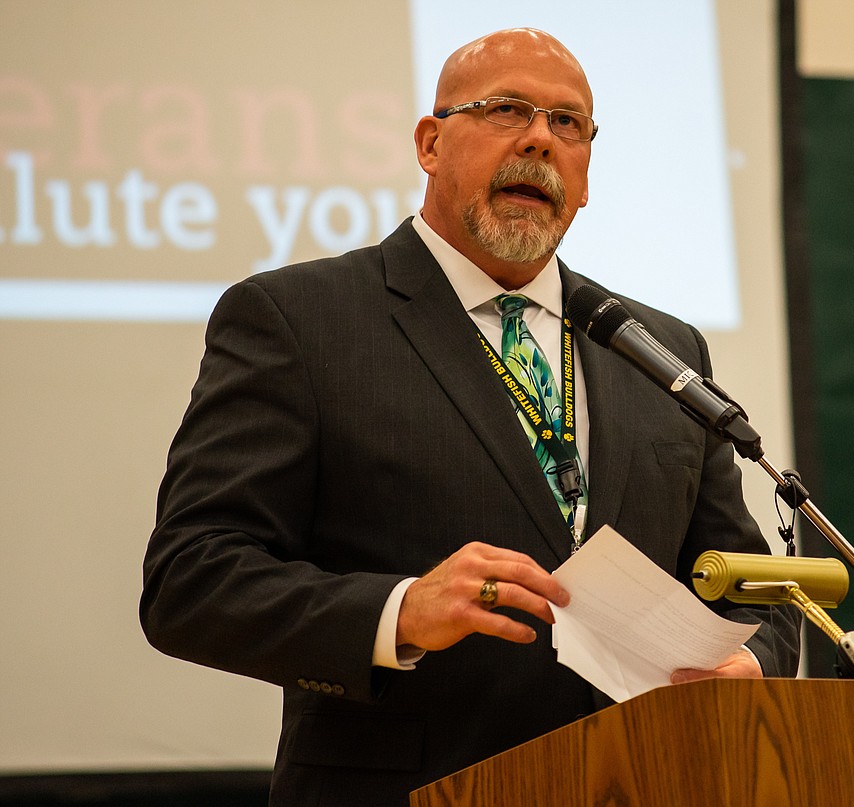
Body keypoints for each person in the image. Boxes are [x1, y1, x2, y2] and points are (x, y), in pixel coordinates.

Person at [140, 27, 800, 806]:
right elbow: (191, 578)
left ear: (586, 174)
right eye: (505, 109)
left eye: (568, 124)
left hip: (646, 781)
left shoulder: (658, 347)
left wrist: (748, 662)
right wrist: (400, 610)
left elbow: (752, 586)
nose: (538, 140)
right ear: (429, 142)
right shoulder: (298, 320)